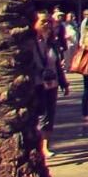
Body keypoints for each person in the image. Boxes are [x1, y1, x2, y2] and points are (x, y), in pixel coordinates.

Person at [32, 13, 63, 156]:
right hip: (37, 83)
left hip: (52, 83)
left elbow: (56, 64)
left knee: (50, 114)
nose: (47, 24)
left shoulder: (52, 42)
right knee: (40, 114)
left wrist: (63, 82)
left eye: (49, 22)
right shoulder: (32, 42)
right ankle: (36, 146)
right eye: (43, 21)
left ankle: (45, 146)